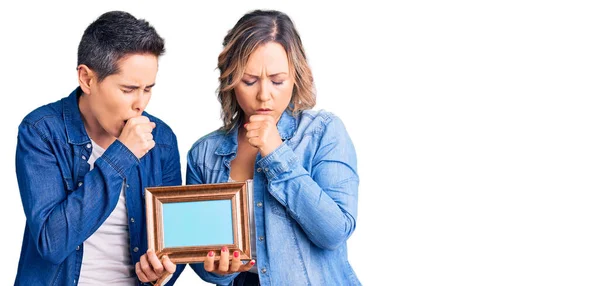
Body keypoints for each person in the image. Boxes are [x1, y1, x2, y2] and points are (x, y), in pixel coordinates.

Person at [137, 9, 361, 285]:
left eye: (278, 81)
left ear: (296, 76)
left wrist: (277, 154)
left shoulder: (323, 132)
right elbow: (201, 261)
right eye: (249, 81)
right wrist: (220, 270)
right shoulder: (204, 154)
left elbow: (335, 232)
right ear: (230, 80)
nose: (264, 95)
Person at [13, 11, 189, 285]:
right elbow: (52, 243)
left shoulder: (161, 139)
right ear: (87, 79)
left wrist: (162, 272)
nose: (140, 104)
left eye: (148, 89)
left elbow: (174, 247)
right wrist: (121, 155)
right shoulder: (41, 131)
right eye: (128, 89)